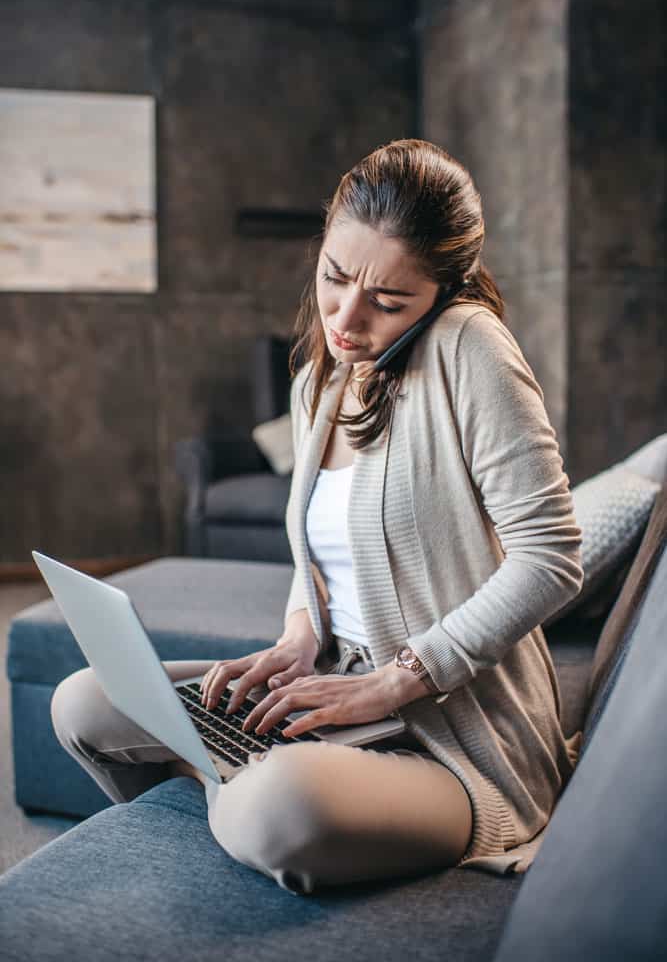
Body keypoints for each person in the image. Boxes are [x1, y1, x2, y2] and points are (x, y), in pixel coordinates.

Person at [51, 138, 584, 896]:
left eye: (389, 300)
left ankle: (249, 796)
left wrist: (397, 681)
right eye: (334, 277)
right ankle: (246, 791)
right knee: (87, 704)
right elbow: (318, 561)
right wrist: (301, 636)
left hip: (452, 737)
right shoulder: (317, 386)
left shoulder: (472, 349)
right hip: (334, 694)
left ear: (445, 291)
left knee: (276, 806)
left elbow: (551, 555)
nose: (346, 316)